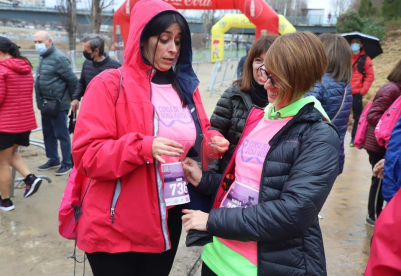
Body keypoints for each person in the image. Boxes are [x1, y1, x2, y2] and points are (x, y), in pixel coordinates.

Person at [71, 1, 228, 275]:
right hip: (116, 222)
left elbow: (198, 131)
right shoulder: (109, 84)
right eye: (164, 39)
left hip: (168, 216)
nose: (173, 49)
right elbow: (87, 157)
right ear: (142, 38)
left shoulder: (185, 87)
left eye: (178, 41)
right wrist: (142, 146)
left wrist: (212, 141)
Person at [182, 32, 340, 276]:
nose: (266, 85)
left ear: (299, 78)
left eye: (276, 80)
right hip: (217, 255)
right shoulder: (261, 117)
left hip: (260, 266)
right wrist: (204, 179)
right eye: (266, 74)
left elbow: (292, 213)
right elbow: (241, 184)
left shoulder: (318, 135)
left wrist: (212, 221)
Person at [0, 37, 42, 211]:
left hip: (3, 124)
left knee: (1, 162)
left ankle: (5, 201)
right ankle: (30, 178)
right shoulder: (25, 67)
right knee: (9, 155)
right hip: (23, 122)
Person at [210, 35, 278, 174]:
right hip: (229, 177)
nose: (262, 67)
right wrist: (211, 180)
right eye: (258, 60)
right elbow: (214, 133)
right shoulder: (233, 94)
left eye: (270, 61)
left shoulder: (284, 100)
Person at [306, 33, 353, 175]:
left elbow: (304, 118)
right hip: (333, 155)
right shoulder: (346, 87)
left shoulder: (317, 83)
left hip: (311, 156)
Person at [33, 31, 78, 175]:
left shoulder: (59, 58)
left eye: (40, 41)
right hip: (45, 103)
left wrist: (73, 99)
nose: (37, 45)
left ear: (49, 41)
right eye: (35, 42)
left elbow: (72, 81)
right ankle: (53, 159)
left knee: (61, 134)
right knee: (48, 133)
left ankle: (67, 162)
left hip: (58, 104)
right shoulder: (43, 56)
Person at [363, 59, 401, 226]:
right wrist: (390, 123)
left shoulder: (395, 89)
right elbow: (373, 116)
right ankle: (374, 216)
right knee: (379, 180)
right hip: (378, 144)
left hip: (385, 142)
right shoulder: (391, 89)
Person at [70, 34, 121, 113]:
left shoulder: (116, 67)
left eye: (86, 51)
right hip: (89, 108)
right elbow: (82, 83)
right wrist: (75, 98)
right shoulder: (87, 64)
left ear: (96, 51)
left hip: (108, 110)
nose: (84, 53)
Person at [349, 36, 374, 147]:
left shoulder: (365, 59)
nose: (354, 44)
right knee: (342, 116)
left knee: (357, 117)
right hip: (345, 92)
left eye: (357, 42)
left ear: (361, 44)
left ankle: (354, 139)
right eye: (353, 42)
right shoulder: (346, 57)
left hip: (357, 94)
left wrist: (362, 91)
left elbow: (370, 76)